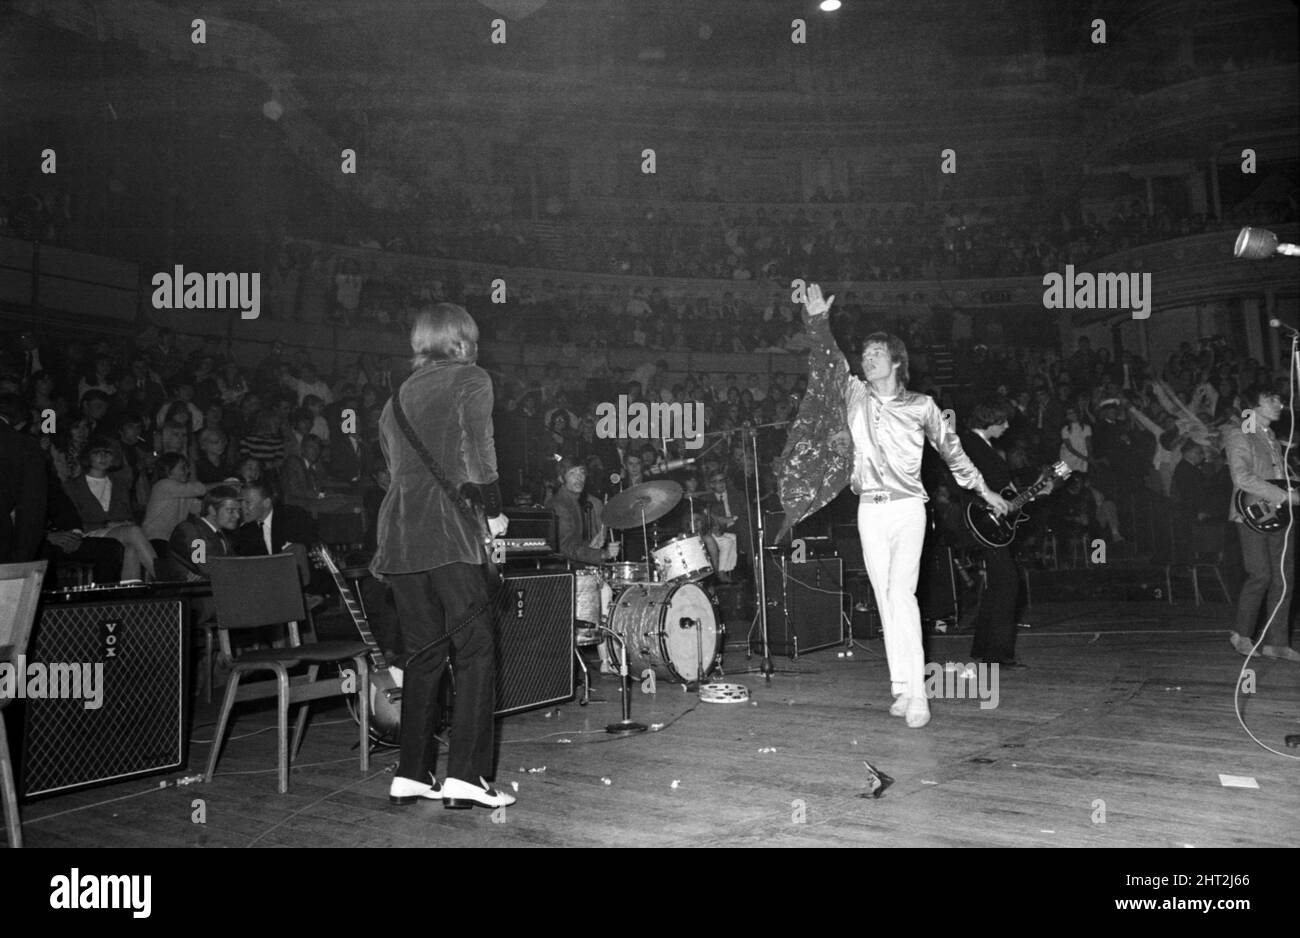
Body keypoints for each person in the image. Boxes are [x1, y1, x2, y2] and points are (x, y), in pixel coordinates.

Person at [790, 284, 1008, 728]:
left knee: (902, 596)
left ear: (895, 362)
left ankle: (920, 696)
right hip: (869, 508)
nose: (867, 360)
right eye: (864, 355)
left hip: (909, 508)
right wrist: (817, 323)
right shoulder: (854, 395)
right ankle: (903, 687)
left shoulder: (922, 406)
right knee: (887, 599)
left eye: (875, 354)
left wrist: (984, 491)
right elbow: (828, 363)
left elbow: (954, 453)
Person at [371, 304, 515, 810]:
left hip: (398, 535)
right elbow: (480, 451)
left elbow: (392, 469)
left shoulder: (396, 397)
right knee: (475, 647)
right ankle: (468, 779)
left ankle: (411, 773)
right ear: (461, 338)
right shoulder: (471, 379)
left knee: (423, 655)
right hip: (449, 531)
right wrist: (494, 512)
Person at [1222, 385, 1298, 661]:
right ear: (1254, 406)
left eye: (1279, 398)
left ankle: (1277, 642)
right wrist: (1284, 496)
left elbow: (1279, 477)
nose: (1279, 403)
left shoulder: (1273, 439)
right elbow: (1242, 478)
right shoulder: (1239, 434)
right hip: (1251, 515)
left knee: (1284, 578)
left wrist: (1290, 491)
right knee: (1261, 574)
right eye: (1272, 399)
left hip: (1277, 515)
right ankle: (1241, 634)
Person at [959, 401, 1035, 669]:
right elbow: (965, 480)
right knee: (1008, 583)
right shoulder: (969, 443)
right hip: (981, 522)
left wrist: (1035, 492)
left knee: (997, 585)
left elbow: (1007, 495)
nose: (1006, 427)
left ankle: (984, 648)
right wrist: (986, 502)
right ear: (988, 421)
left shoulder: (983, 445)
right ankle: (997, 654)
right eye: (1002, 422)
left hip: (990, 522)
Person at [545, 457, 620, 672]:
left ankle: (607, 662)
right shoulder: (561, 505)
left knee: (605, 591)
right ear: (561, 478)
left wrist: (593, 546)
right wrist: (603, 554)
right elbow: (567, 548)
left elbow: (571, 544)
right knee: (604, 592)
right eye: (572, 474)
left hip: (570, 566)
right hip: (563, 572)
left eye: (582, 473)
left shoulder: (571, 501)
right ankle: (607, 661)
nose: (579, 478)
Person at [64, 439, 158, 580]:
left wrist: (121, 524)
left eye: (107, 453)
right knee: (133, 532)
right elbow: (71, 521)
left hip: (117, 533)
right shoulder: (73, 486)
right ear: (88, 456)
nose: (103, 457)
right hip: (86, 536)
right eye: (97, 453)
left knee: (131, 549)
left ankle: (130, 595)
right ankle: (166, 577)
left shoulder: (120, 485)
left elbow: (128, 516)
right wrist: (107, 525)